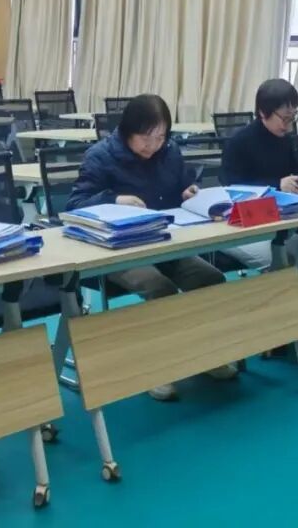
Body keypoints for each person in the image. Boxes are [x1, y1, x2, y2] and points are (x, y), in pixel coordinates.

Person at [67, 94, 234, 401]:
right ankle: (157, 368)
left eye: (160, 137)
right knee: (160, 288)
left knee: (210, 279)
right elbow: (75, 205)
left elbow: (181, 186)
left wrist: (188, 192)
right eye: (146, 137)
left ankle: (207, 355)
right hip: (117, 250)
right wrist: (114, 200)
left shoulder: (169, 152)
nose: (153, 145)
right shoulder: (100, 156)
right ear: (127, 130)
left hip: (163, 242)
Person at [219, 79, 298, 268]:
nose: (289, 126)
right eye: (285, 118)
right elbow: (231, 184)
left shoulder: (285, 138)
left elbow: (296, 172)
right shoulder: (239, 141)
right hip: (246, 222)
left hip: (282, 219)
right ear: (263, 112)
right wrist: (277, 184)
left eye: (293, 118)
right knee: (276, 260)